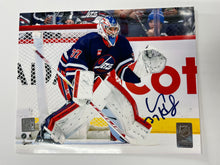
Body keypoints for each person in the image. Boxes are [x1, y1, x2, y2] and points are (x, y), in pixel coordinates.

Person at [35, 16, 166, 144]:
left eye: (115, 29)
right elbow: (73, 66)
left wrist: (141, 70)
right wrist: (81, 89)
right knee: (79, 102)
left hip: (96, 76)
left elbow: (123, 72)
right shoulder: (88, 41)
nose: (113, 32)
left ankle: (119, 132)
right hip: (69, 71)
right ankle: (48, 129)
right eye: (110, 29)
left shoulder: (122, 44)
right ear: (102, 29)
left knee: (107, 96)